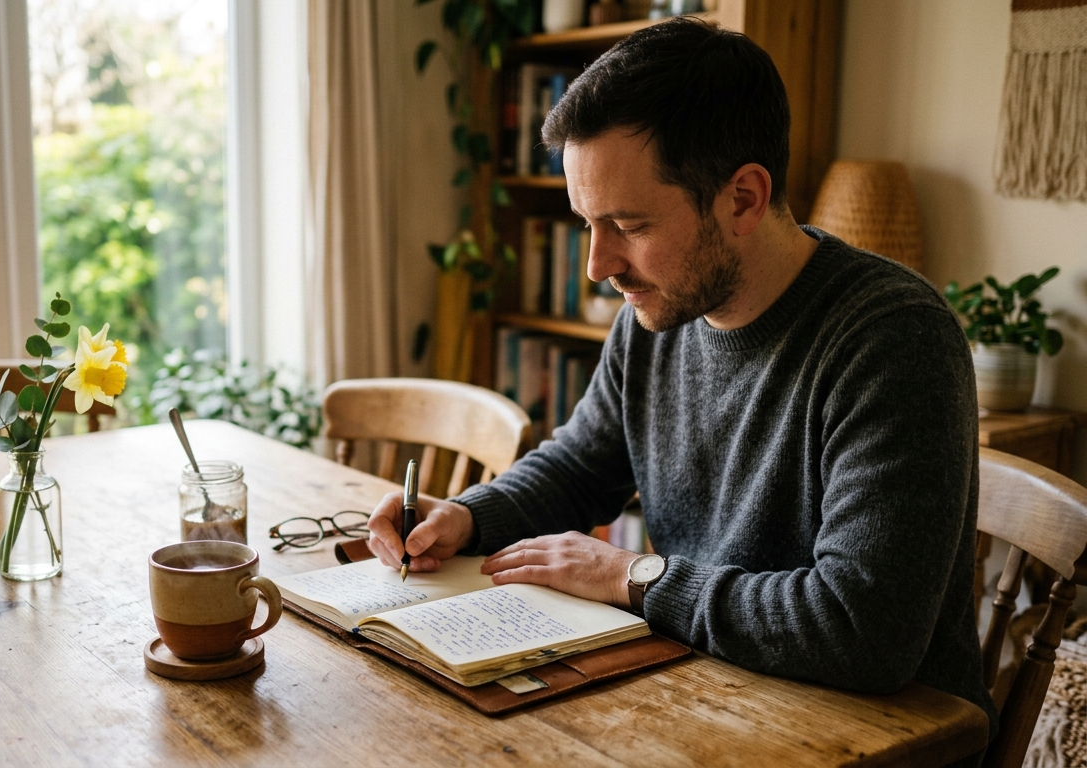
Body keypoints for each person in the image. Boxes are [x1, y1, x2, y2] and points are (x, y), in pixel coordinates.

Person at [367, 16, 996, 739]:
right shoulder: (656, 313)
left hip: (878, 738)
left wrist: (632, 577)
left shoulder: (892, 337)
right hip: (702, 692)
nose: (598, 267)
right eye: (586, 224)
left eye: (628, 226)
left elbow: (861, 630)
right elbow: (581, 464)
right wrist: (470, 516)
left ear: (743, 199)